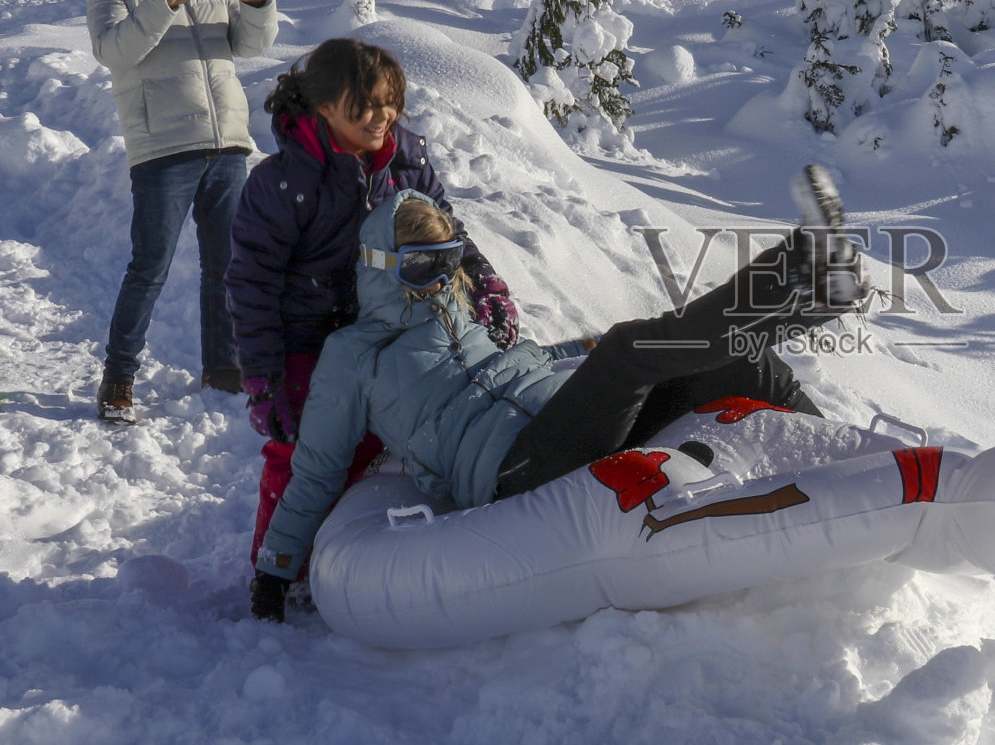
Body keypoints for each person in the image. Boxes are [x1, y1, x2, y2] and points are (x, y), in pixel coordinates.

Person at [249, 171, 865, 621]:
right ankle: (803, 271)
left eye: (448, 260)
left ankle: (853, 455)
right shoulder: (353, 356)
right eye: (420, 267)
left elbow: (518, 365)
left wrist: (577, 350)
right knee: (627, 353)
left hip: (567, 425)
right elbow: (317, 468)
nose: (438, 280)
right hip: (514, 467)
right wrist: (274, 569)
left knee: (744, 360)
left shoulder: (459, 311)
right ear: (381, 265)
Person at [226, 38, 522, 571]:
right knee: (303, 456)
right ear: (323, 107)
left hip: (388, 331)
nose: (382, 116)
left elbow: (447, 230)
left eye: (390, 102)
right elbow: (252, 284)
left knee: (372, 449)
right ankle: (276, 567)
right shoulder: (281, 183)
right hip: (306, 342)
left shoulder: (405, 162)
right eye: (364, 106)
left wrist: (485, 282)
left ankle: (342, 565)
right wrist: (264, 381)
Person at [87, 0, 279, 422]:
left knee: (227, 264)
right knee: (149, 266)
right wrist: (166, 0)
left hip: (227, 144)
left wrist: (258, 2)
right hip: (164, 146)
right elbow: (112, 51)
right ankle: (119, 377)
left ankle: (225, 369)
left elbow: (251, 45)